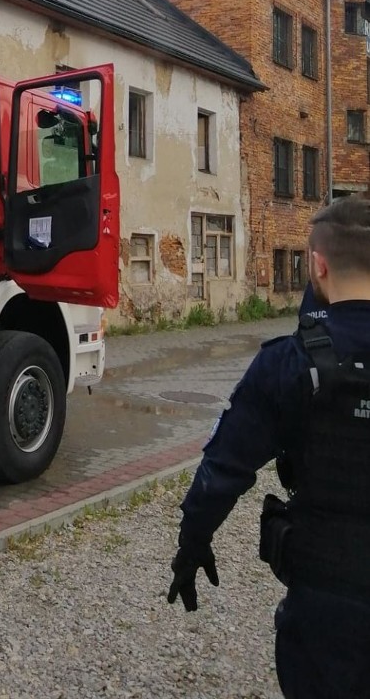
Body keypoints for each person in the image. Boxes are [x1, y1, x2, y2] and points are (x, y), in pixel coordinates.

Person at [167, 195, 370, 699]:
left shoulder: (290, 364)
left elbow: (224, 469)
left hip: (326, 601)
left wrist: (192, 543)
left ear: (318, 265)